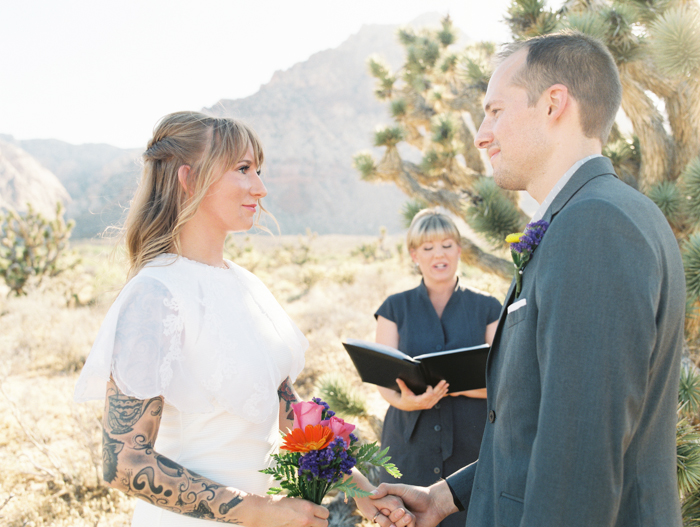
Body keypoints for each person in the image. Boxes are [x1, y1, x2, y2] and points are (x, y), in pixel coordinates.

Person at [372, 31, 685, 527]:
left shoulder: (595, 226)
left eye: (495, 110)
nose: (481, 133)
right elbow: (537, 426)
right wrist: (444, 497)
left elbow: (581, 455)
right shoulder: (583, 217)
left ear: (553, 104)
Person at [74, 111, 412, 527]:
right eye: (243, 169)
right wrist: (260, 511)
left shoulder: (246, 285)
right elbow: (124, 463)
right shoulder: (156, 295)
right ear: (190, 179)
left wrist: (361, 490)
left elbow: (287, 409)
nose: (261, 186)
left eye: (259, 169)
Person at [373, 209, 500, 527]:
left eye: (446, 245)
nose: (438, 255)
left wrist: (453, 386)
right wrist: (405, 401)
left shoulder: (488, 307)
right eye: (427, 248)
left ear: (459, 249)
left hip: (473, 444)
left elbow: (504, 377)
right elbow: (383, 380)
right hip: (408, 440)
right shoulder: (394, 307)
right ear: (414, 255)